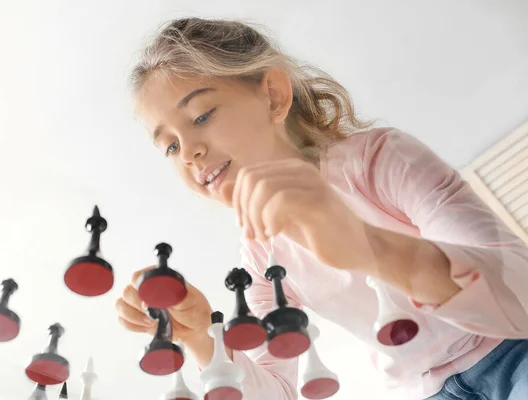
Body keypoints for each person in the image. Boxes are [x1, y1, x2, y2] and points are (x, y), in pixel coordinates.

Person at [115, 17, 528, 400]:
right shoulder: (260, 260)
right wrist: (204, 339)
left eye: (201, 115)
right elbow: (277, 390)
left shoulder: (378, 160)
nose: (188, 152)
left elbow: (520, 293)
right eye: (169, 145)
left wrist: (369, 247)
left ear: (273, 95)